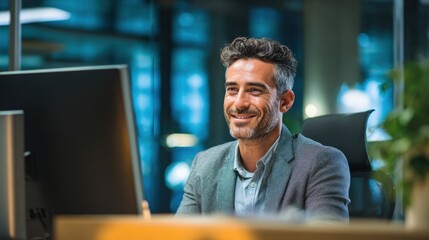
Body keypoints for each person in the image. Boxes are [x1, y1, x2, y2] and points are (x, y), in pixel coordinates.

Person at [176, 37, 350, 221]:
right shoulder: (204, 165)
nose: (239, 103)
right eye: (232, 90)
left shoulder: (322, 164)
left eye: (254, 91)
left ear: (285, 101)